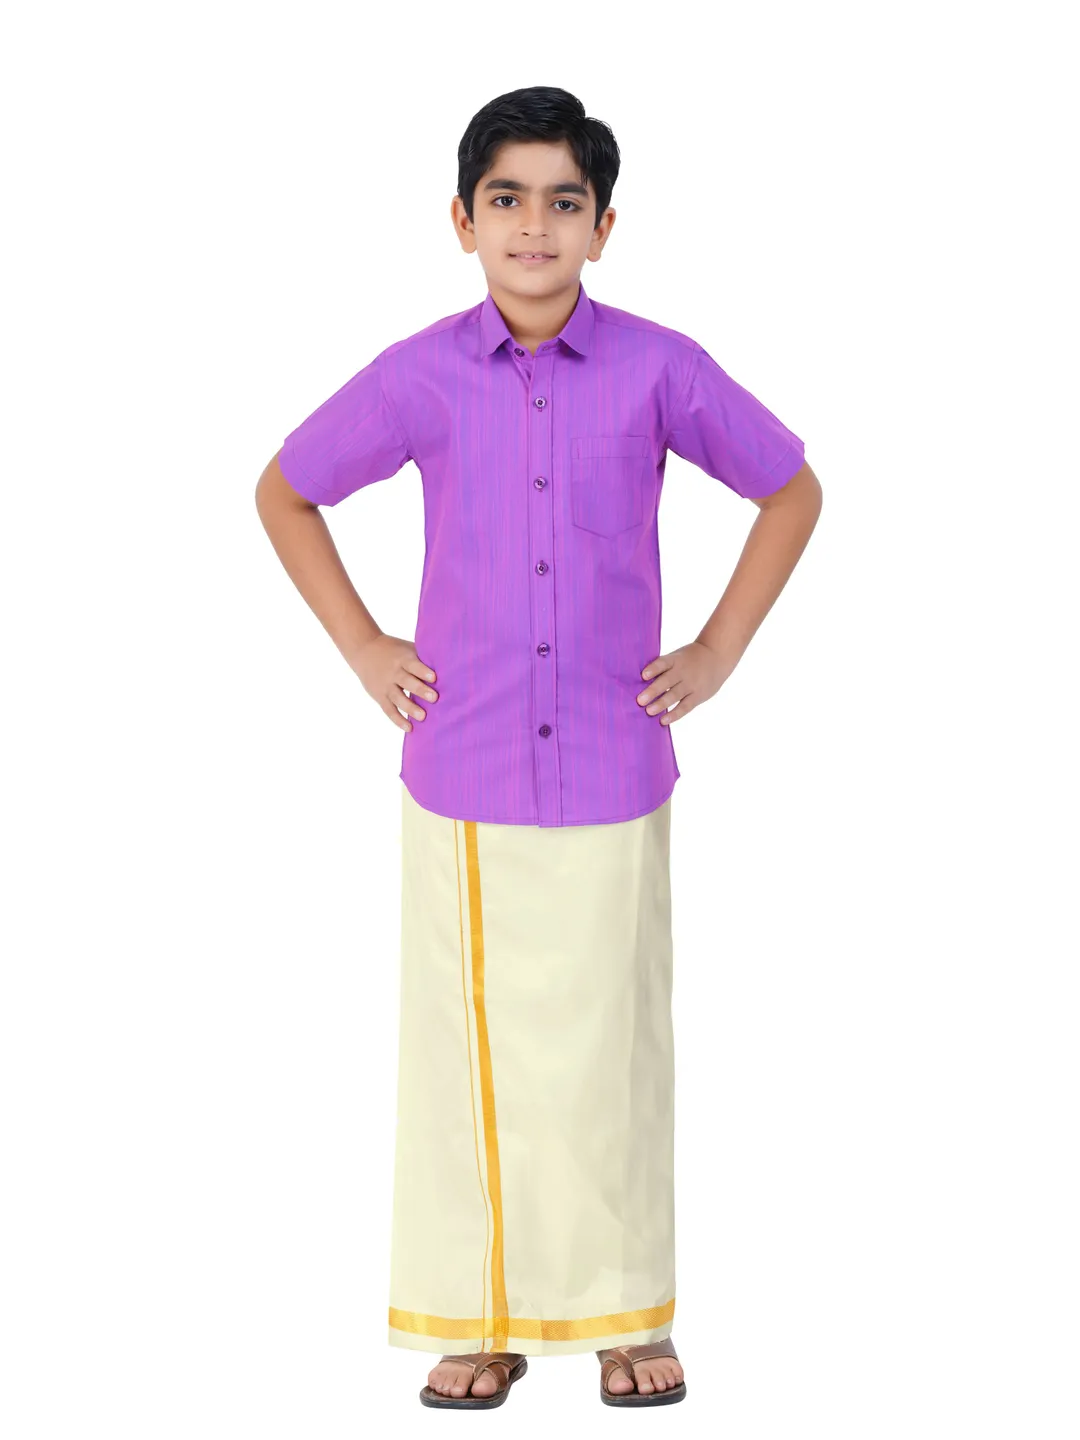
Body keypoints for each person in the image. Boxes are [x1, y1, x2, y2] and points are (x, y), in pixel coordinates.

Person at [255, 84, 822, 1411]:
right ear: (461, 220)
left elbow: (791, 488)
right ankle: (480, 1315)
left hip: (615, 765)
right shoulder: (418, 376)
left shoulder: (660, 368)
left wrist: (718, 650)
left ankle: (629, 1315)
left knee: (616, 1049)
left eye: (564, 201)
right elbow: (285, 490)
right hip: (464, 769)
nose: (533, 225)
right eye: (505, 198)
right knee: (469, 1057)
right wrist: (364, 645)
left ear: (603, 227)